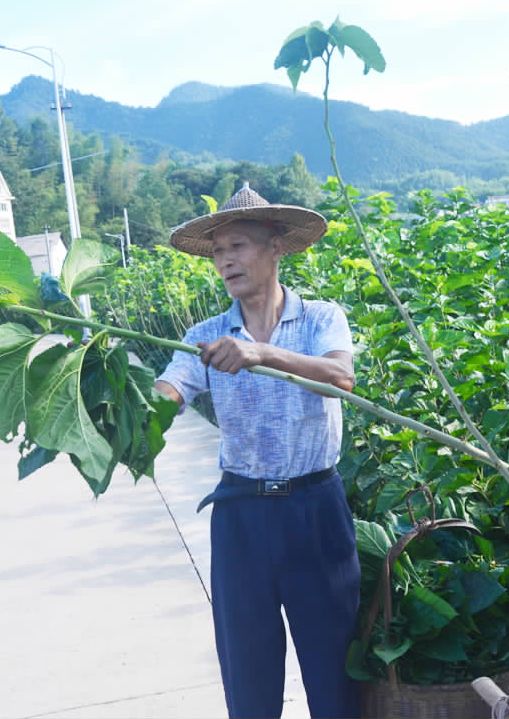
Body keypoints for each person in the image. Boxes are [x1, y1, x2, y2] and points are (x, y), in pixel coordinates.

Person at [153, 182, 360, 718]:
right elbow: (169, 392)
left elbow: (340, 377)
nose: (225, 260)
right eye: (218, 251)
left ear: (276, 246)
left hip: (316, 511)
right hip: (242, 515)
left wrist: (262, 352)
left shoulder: (320, 319)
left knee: (334, 668)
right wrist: (138, 404)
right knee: (248, 673)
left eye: (238, 245)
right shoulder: (205, 337)